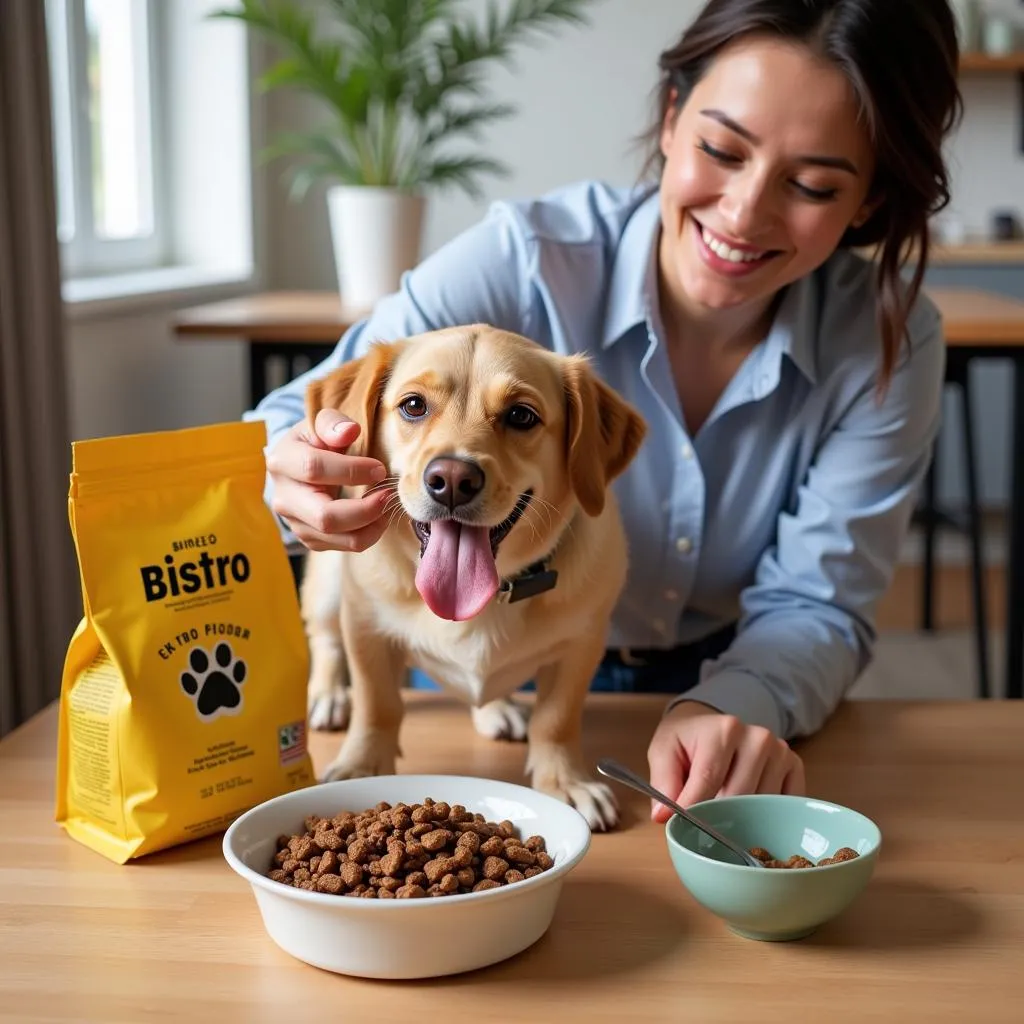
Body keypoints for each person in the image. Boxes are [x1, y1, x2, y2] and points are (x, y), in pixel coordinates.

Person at [246, 0, 962, 822]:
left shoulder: (884, 341)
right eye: (720, 149)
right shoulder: (524, 255)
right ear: (669, 119)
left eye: (812, 185)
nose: (743, 213)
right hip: (462, 664)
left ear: (870, 200)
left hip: (721, 681)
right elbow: (278, 425)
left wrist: (734, 704)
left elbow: (820, 602)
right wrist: (296, 477)